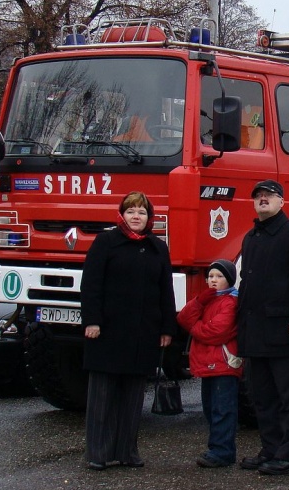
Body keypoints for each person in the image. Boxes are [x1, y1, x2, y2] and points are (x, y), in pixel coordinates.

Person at [80, 191, 177, 471]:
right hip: (107, 331)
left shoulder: (158, 247)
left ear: (150, 218)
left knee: (133, 397)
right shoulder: (106, 242)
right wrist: (92, 321)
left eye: (142, 212)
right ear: (122, 215)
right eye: (131, 211)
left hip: (143, 333)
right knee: (103, 395)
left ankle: (127, 451)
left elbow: (165, 291)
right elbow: (92, 285)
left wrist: (166, 327)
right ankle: (98, 453)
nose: (137, 217)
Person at [237, 179, 289, 476]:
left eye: (269, 196)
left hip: (285, 331)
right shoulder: (251, 237)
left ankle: (287, 457)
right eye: (258, 196)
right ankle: (269, 450)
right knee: (262, 397)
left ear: (281, 202)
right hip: (255, 332)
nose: (263, 199)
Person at [177, 259, 243, 468]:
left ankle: (223, 450)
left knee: (223, 409)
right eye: (211, 276)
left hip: (223, 364)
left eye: (219, 276)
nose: (213, 280)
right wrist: (199, 300)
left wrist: (195, 329)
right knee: (210, 407)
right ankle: (216, 447)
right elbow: (184, 318)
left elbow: (217, 332)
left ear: (230, 280)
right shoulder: (209, 300)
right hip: (208, 364)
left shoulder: (231, 302)